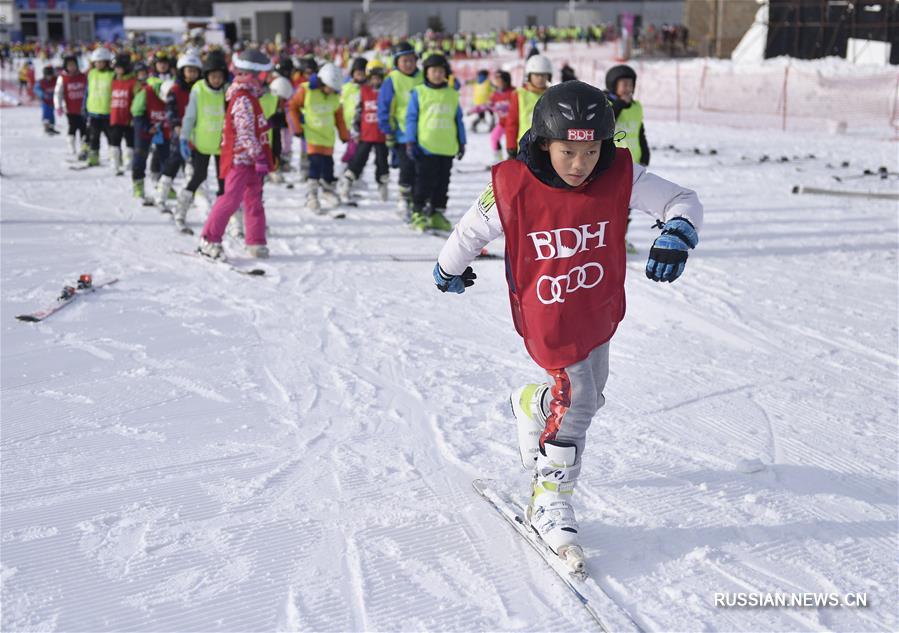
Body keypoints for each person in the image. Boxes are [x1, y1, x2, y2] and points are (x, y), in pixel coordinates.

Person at [431, 81, 703, 571]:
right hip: (548, 313)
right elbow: (472, 228)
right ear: (543, 144)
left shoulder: (619, 174)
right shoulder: (512, 184)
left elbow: (681, 199)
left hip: (595, 305)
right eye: (568, 152)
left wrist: (678, 233)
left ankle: (531, 403)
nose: (580, 164)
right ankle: (549, 498)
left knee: (590, 395)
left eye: (591, 151)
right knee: (578, 402)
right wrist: (448, 267)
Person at [197, 48, 274, 260]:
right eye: (264, 75)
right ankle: (209, 239)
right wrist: (258, 155)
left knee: (254, 200)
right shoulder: (242, 99)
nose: (267, 79)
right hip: (240, 159)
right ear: (253, 75)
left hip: (252, 161)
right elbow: (244, 131)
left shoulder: (252, 97)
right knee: (230, 199)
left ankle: (256, 241)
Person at [405, 53, 465, 232]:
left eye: (441, 71)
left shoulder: (452, 94)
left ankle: (436, 213)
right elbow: (411, 118)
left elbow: (458, 120)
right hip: (426, 146)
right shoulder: (419, 92)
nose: (437, 74)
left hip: (447, 147)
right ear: (426, 73)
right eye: (433, 71)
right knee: (423, 182)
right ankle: (418, 211)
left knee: (442, 183)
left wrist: (461, 142)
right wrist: (410, 141)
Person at [173, 50, 228, 232]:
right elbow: (190, 116)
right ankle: (180, 210)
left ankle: (224, 218)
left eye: (220, 77)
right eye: (213, 76)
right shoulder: (198, 89)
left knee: (224, 183)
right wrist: (184, 137)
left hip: (222, 146)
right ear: (206, 75)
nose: (216, 80)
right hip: (201, 144)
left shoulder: (228, 91)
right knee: (198, 177)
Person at [287, 63, 349, 213]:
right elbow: (292, 107)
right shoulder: (306, 90)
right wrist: (296, 127)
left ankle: (327, 190)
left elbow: (339, 116)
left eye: (333, 88)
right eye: (329, 87)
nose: (331, 90)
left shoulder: (334, 96)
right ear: (322, 82)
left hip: (327, 137)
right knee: (315, 164)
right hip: (312, 135)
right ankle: (312, 195)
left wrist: (343, 133)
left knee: (328, 165)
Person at [605, 64, 651, 254]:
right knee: (609, 205)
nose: (627, 88)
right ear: (613, 85)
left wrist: (645, 153)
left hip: (632, 164)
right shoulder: (607, 105)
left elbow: (640, 131)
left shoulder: (637, 106)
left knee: (627, 205)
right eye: (623, 84)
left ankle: (620, 239)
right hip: (612, 163)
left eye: (630, 84)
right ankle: (605, 240)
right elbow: (607, 122)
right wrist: (619, 105)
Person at [377, 42, 423, 217]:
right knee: (407, 166)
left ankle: (418, 199)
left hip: (423, 133)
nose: (409, 64)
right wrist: (388, 130)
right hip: (402, 133)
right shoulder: (392, 80)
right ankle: (403, 197)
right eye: (405, 61)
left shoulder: (423, 77)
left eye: (412, 60)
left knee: (421, 168)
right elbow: (384, 106)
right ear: (396, 62)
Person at [337, 59, 389, 203]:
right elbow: (358, 113)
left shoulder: (386, 93)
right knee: (358, 159)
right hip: (365, 135)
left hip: (381, 135)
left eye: (378, 78)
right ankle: (348, 181)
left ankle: (382, 184)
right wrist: (355, 130)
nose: (375, 81)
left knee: (382, 162)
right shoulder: (364, 91)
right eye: (373, 78)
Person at [156, 52, 202, 207]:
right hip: (180, 133)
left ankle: (189, 196)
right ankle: (161, 194)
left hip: (198, 134)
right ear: (182, 71)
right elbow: (170, 110)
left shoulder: (201, 89)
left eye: (195, 71)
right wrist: (176, 125)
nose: (192, 74)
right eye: (189, 70)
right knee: (173, 163)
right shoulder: (175, 90)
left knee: (193, 167)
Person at [505, 54, 551, 158]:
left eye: (543, 75)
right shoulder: (519, 94)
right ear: (529, 76)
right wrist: (511, 146)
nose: (540, 78)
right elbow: (512, 122)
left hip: (547, 147)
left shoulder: (551, 94)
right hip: (525, 147)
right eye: (536, 75)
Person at [83, 47, 115, 166]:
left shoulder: (112, 75)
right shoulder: (91, 74)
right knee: (93, 137)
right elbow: (87, 92)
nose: (99, 64)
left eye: (101, 62)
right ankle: (93, 158)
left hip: (108, 112)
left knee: (111, 137)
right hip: (93, 112)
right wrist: (84, 107)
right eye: (96, 62)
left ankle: (114, 157)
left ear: (107, 62)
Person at [108, 53, 138, 176]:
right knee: (114, 141)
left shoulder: (133, 82)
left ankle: (129, 163)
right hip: (115, 117)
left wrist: (135, 116)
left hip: (128, 118)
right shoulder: (113, 81)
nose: (117, 70)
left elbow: (137, 100)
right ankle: (115, 163)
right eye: (115, 68)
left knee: (130, 141)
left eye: (119, 67)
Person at [54, 54, 88, 158]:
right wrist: (58, 106)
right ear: (66, 67)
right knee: (72, 127)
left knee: (84, 128)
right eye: (69, 65)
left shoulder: (83, 76)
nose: (72, 67)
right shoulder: (63, 78)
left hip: (82, 108)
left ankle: (84, 148)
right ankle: (71, 147)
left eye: (73, 65)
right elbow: (58, 93)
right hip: (70, 109)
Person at [487, 70, 513, 164]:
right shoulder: (495, 94)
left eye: (500, 81)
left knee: (511, 142)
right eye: (496, 80)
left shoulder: (513, 92)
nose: (498, 83)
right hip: (502, 123)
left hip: (512, 124)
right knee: (494, 137)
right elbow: (489, 105)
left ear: (506, 81)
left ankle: (513, 159)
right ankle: (498, 158)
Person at [35, 65, 59, 135]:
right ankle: (46, 127)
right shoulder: (41, 82)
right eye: (48, 75)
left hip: (53, 101)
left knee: (51, 114)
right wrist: (42, 94)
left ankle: (52, 127)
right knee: (46, 114)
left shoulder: (56, 80)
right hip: (45, 102)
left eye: (50, 75)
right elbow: (36, 89)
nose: (49, 77)